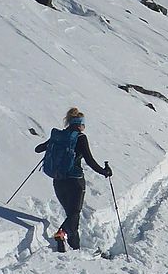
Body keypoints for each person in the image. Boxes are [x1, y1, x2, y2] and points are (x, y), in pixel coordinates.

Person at [35, 107, 112, 252]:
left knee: (72, 215)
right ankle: (61, 234)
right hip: (75, 181)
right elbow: (89, 160)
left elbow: (38, 149)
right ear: (80, 124)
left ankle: (75, 249)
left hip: (58, 181)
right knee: (74, 214)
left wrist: (51, 146)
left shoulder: (58, 136)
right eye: (84, 124)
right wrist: (104, 171)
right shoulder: (80, 137)